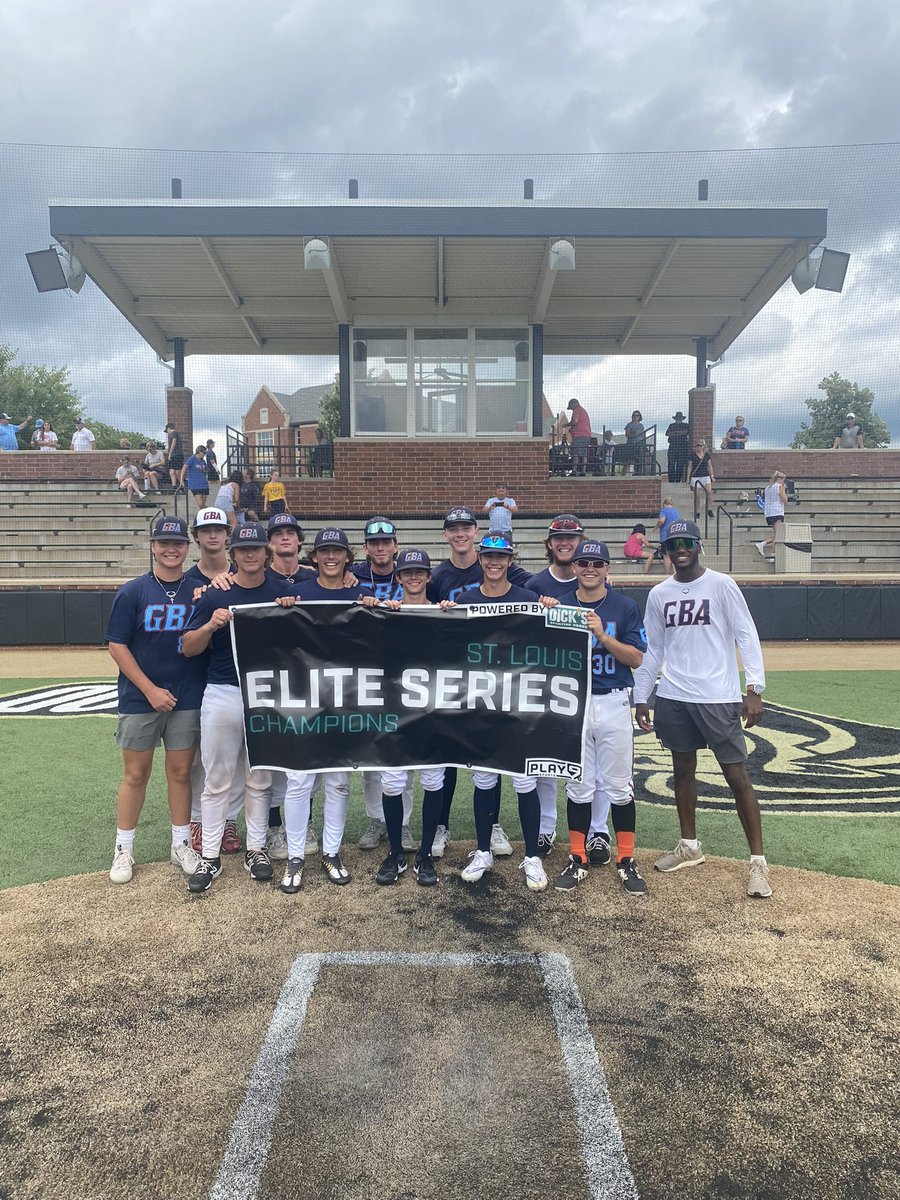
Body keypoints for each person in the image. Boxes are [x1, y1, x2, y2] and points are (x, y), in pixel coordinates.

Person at [632, 519, 772, 899]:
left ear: (697, 545)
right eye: (672, 543)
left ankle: (757, 862)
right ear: (664, 551)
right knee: (682, 772)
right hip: (675, 695)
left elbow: (746, 633)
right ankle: (689, 846)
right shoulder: (660, 594)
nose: (680, 548)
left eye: (686, 542)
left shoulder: (721, 585)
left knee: (736, 777)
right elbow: (654, 649)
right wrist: (641, 695)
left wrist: (754, 688)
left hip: (717, 696)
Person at [181, 522, 286, 893]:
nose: (250, 555)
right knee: (217, 778)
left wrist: (291, 609)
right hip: (224, 690)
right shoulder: (214, 594)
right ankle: (209, 855)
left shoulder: (281, 591)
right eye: (243, 550)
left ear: (265, 552)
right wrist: (210, 625)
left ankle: (256, 848)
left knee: (260, 777)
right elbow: (188, 647)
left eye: (256, 549)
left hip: (267, 693)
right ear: (234, 553)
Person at [105, 516, 205, 885]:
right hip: (140, 698)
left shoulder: (198, 590)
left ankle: (180, 844)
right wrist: (149, 689)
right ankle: (123, 848)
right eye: (164, 543)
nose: (171, 549)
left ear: (186, 547)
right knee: (135, 774)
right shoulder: (133, 592)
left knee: (181, 773)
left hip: (187, 695)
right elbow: (117, 646)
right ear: (152, 547)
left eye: (177, 543)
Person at [549, 538, 647, 896]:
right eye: (583, 563)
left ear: (608, 569)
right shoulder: (560, 606)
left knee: (619, 787)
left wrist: (602, 635)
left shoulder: (624, 607)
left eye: (597, 564)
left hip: (613, 701)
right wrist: (547, 611)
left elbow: (636, 658)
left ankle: (626, 859)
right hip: (572, 702)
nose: (590, 569)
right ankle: (578, 858)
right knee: (578, 783)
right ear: (574, 568)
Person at [280, 528, 378, 889]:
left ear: (347, 557)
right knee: (299, 778)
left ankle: (331, 851)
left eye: (337, 551)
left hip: (346, 697)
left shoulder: (360, 592)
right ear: (315, 556)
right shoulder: (299, 592)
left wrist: (374, 608)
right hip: (306, 696)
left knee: (338, 780)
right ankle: (295, 856)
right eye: (325, 551)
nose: (331, 557)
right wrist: (283, 610)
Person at [454, 534, 549, 893]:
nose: (495, 562)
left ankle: (533, 856)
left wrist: (550, 609)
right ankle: (482, 851)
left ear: (511, 559)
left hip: (518, 704)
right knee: (484, 781)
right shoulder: (466, 600)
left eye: (502, 556)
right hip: (480, 704)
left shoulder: (527, 600)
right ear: (480, 558)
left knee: (525, 780)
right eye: (489, 556)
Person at [372, 548, 451, 887]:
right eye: (407, 572)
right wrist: (375, 614)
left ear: (429, 577)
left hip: (434, 711)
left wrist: (452, 615)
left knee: (433, 781)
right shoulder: (387, 613)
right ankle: (395, 853)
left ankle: (425, 855)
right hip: (395, 709)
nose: (414, 576)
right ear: (398, 577)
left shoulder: (444, 612)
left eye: (420, 571)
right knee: (392, 783)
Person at [351, 517, 415, 852]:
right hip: (367, 672)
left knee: (404, 750)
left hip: (405, 671)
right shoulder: (354, 576)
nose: (380, 548)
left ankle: (402, 824)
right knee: (372, 752)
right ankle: (377, 820)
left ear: (395, 545)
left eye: (386, 542)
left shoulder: (408, 571)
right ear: (366, 547)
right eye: (374, 543)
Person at [755, 470, 787, 558]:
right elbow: (784, 499)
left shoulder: (768, 488)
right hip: (777, 511)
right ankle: (772, 553)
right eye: (783, 479)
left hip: (768, 513)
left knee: (777, 533)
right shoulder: (780, 486)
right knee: (778, 534)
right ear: (780, 479)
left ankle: (764, 544)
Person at [646, 497, 681, 575]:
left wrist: (656, 527)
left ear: (664, 504)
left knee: (666, 556)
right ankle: (677, 572)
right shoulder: (676, 512)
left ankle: (667, 573)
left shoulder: (664, 511)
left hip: (666, 536)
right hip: (676, 536)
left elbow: (662, 520)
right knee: (675, 554)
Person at [686, 440, 716, 519]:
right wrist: (688, 478)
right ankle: (697, 511)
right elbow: (690, 467)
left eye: (700, 445)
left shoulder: (706, 455)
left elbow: (709, 466)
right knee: (697, 495)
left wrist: (712, 475)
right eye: (697, 445)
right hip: (695, 476)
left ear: (703, 446)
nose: (698, 447)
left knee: (709, 492)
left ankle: (709, 510)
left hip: (705, 476)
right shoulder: (692, 455)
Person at [565, 398, 592, 476]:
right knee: (584, 454)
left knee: (575, 453)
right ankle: (583, 471)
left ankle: (574, 470)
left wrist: (567, 425)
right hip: (586, 435)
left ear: (574, 404)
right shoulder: (583, 411)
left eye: (571, 407)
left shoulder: (577, 410)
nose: (571, 409)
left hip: (579, 435)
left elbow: (575, 421)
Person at [665, 411, 691, 482]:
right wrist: (679, 433)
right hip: (672, 447)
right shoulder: (671, 425)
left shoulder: (686, 425)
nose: (678, 419)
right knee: (671, 465)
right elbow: (667, 433)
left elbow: (686, 432)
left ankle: (678, 480)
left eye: (680, 417)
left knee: (680, 465)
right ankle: (671, 480)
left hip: (682, 448)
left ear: (682, 418)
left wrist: (674, 433)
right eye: (677, 417)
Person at [624, 410, 645, 475]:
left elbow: (643, 435)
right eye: (634, 415)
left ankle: (637, 472)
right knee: (628, 460)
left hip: (639, 445)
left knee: (638, 459)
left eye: (637, 415)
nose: (636, 417)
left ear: (639, 417)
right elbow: (627, 435)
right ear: (632, 416)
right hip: (631, 445)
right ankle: (624, 474)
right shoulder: (629, 425)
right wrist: (635, 433)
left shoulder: (641, 425)